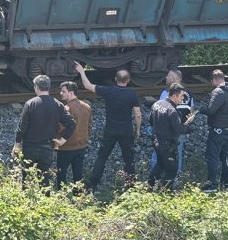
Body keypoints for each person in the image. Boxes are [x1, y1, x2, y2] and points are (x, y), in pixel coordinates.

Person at [74, 63, 141, 191]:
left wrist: (82, 71)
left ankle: (93, 184)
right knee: (129, 160)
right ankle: (131, 186)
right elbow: (137, 115)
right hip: (126, 131)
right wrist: (137, 130)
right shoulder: (132, 94)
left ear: (116, 79)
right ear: (128, 80)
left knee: (102, 157)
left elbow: (87, 86)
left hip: (110, 130)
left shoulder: (108, 90)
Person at [12, 75, 75, 188]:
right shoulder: (57, 104)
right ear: (49, 87)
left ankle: (27, 202)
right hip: (47, 147)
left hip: (30, 146)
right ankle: (45, 201)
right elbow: (71, 123)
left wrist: (17, 143)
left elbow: (22, 127)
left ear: (36, 87)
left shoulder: (30, 103)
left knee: (27, 178)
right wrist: (62, 140)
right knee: (44, 179)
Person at [196, 70, 228, 192]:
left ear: (214, 80)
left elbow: (211, 110)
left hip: (218, 130)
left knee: (212, 157)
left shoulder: (218, 92)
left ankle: (212, 185)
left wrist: (202, 108)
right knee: (226, 157)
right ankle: (226, 184)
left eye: (211, 82)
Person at [149, 69, 194, 185]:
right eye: (181, 97)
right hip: (168, 142)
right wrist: (189, 126)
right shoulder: (172, 110)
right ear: (174, 95)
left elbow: (151, 121)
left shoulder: (157, 104)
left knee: (159, 164)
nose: (182, 100)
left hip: (156, 139)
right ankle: (167, 192)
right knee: (172, 169)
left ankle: (150, 186)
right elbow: (177, 129)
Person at [54, 81, 92, 193]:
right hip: (81, 146)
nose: (61, 93)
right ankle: (78, 197)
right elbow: (89, 126)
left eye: (63, 91)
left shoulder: (66, 109)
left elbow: (60, 128)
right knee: (78, 174)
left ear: (71, 93)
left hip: (66, 147)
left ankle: (61, 196)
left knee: (61, 174)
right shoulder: (87, 106)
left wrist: (57, 141)